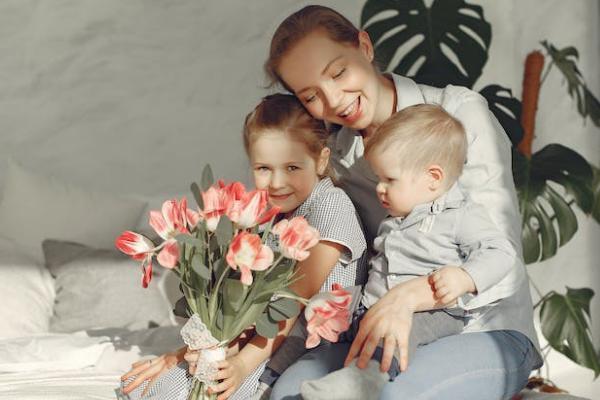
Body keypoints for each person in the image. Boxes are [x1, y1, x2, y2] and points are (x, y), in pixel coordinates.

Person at [265, 5, 543, 400]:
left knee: (384, 397)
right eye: (311, 95)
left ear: (364, 45)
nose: (335, 100)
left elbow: (503, 263)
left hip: (483, 326)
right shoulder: (337, 158)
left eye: (339, 72)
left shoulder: (459, 114)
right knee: (287, 394)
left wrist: (409, 298)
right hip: (378, 327)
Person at [119, 93, 368, 400]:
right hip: (264, 340)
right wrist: (182, 354)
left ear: (321, 160)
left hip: (308, 350)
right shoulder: (276, 216)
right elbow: (251, 308)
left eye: (291, 168)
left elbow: (292, 303)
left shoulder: (330, 206)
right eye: (264, 168)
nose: (276, 182)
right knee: (151, 389)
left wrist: (240, 364)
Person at [302, 104, 528, 400]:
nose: (380, 189)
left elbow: (500, 253)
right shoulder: (395, 219)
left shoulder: (460, 215)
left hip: (430, 310)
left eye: (389, 180)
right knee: (323, 302)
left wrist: (465, 277)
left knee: (394, 333)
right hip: (374, 299)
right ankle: (288, 363)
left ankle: (364, 381)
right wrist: (342, 301)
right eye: (379, 178)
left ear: (433, 177)